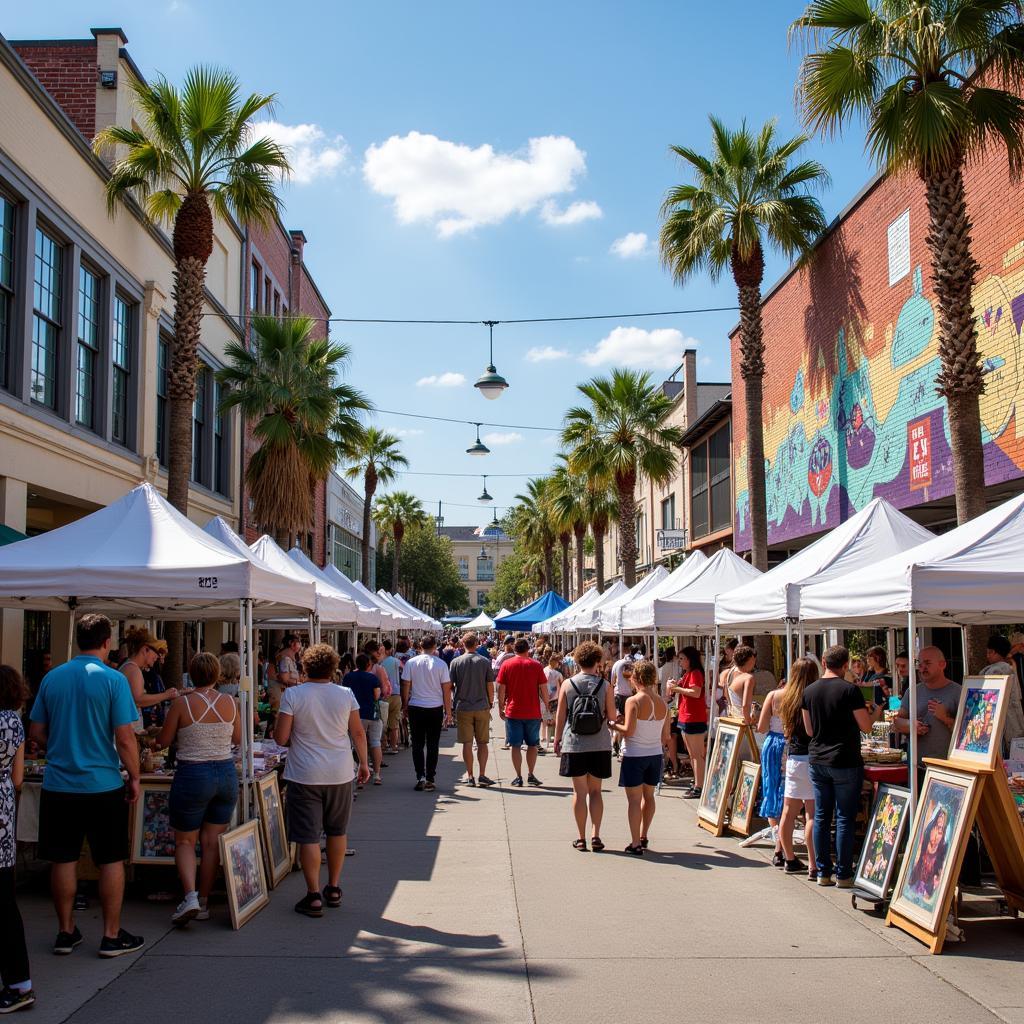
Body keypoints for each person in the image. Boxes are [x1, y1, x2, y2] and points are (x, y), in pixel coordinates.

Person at [27, 614, 145, 957]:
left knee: (62, 859)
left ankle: (65, 931)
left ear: (79, 639)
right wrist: (135, 777)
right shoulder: (113, 680)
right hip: (102, 784)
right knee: (110, 860)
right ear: (107, 642)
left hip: (60, 783)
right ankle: (110, 934)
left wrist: (60, 748)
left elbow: (35, 732)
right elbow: (125, 739)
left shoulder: (53, 678)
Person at [274, 644, 369, 916]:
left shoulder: (293, 695)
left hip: (304, 774)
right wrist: (363, 763)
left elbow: (281, 738)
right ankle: (335, 886)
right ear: (333, 668)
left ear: (305, 667)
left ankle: (313, 894)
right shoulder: (345, 694)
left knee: (308, 836)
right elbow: (358, 733)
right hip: (339, 772)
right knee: (337, 831)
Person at [157, 653, 240, 926]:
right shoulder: (230, 702)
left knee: (185, 841)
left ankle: (190, 896)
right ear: (217, 674)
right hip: (225, 772)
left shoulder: (182, 704)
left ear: (191, 675)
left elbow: (164, 741)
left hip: (193, 773)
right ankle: (203, 901)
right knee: (211, 841)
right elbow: (237, 737)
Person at [801, 645, 881, 888]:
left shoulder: (809, 691)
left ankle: (824, 871)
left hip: (818, 759)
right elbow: (866, 727)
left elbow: (809, 730)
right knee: (845, 817)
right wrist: (876, 714)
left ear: (823, 662)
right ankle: (844, 873)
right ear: (845, 665)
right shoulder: (850, 690)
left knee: (822, 816)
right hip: (845, 759)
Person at [555, 641, 617, 851]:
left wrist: (556, 740)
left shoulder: (567, 684)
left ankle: (580, 838)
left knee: (579, 793)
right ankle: (595, 835)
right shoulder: (605, 686)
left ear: (578, 660)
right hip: (599, 743)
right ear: (597, 661)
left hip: (575, 743)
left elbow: (561, 716)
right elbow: (612, 716)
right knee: (596, 792)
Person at [609, 661, 670, 855]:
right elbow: (665, 736)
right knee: (649, 796)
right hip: (654, 754)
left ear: (636, 678)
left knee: (634, 800)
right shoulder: (662, 703)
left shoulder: (633, 701)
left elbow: (629, 731)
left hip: (635, 754)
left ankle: (635, 842)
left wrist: (613, 725)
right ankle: (643, 836)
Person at [0, 666, 33, 1012]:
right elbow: (19, 777)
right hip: (5, 808)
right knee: (5, 898)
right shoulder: (14, 722)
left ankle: (18, 981)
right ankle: (18, 978)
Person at [777, 658, 819, 878]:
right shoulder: (812, 697)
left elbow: (786, 730)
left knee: (789, 811)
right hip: (810, 757)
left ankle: (790, 857)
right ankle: (813, 863)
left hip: (793, 757)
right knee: (812, 813)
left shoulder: (786, 697)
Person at [892, 646, 960, 780]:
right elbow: (897, 723)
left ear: (942, 664)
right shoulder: (912, 691)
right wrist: (912, 725)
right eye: (920, 664)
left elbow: (968, 734)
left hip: (946, 769)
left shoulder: (958, 692)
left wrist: (945, 718)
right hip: (917, 769)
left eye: (927, 663)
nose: (922, 668)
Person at [401, 637, 452, 792]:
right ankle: (430, 777)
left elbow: (406, 685)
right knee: (432, 744)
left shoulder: (411, 662)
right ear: (435, 646)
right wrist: (448, 712)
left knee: (417, 743)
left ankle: (420, 776)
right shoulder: (441, 664)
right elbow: (446, 689)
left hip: (416, 705)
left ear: (420, 646)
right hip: (435, 707)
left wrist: (405, 705)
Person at [497, 638, 548, 788]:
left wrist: (501, 706)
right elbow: (543, 688)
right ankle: (531, 774)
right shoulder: (536, 665)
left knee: (515, 746)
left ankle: (518, 776)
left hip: (513, 711)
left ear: (515, 650)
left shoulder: (507, 664)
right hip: (533, 711)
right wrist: (547, 704)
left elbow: (501, 688)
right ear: (528, 650)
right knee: (533, 744)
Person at [449, 632, 496, 787]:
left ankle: (470, 775)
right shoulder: (484, 661)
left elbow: (450, 685)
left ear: (463, 644)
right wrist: (490, 702)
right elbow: (490, 684)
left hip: (463, 706)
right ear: (477, 644)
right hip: (481, 705)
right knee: (482, 742)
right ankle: (482, 774)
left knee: (467, 743)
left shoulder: (455, 662)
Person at [668, 646, 708, 798]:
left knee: (696, 755)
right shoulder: (688, 673)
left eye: (682, 658)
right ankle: (697, 782)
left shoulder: (696, 673)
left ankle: (699, 785)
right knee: (692, 754)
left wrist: (678, 689)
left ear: (690, 659)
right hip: (686, 716)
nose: (680, 662)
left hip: (694, 717)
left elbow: (696, 692)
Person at [757, 674, 788, 865]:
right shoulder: (799, 696)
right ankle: (781, 846)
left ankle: (778, 843)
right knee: (787, 796)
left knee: (771, 790)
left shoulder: (773, 696)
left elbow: (761, 726)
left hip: (773, 743)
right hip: (790, 745)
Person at [120, 627, 178, 720]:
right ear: (145, 650)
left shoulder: (129, 666)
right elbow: (138, 700)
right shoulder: (133, 669)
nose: (157, 658)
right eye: (156, 653)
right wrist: (166, 695)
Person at [343, 655, 383, 786]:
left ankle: (357, 775)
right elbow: (377, 696)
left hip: (355, 715)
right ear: (368, 665)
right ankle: (377, 775)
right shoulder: (372, 678)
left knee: (354, 744)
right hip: (372, 714)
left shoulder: (348, 677)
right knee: (375, 742)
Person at [982, 634, 1024, 753]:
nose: (987, 656)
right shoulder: (1010, 667)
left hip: (1001, 721)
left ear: (993, 652)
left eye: (988, 652)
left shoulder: (995, 670)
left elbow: (987, 700)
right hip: (1013, 718)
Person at [380, 639, 403, 754]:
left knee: (382, 723)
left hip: (384, 695)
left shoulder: (380, 663)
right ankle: (394, 746)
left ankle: (383, 746)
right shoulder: (396, 661)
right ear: (391, 650)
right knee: (394, 723)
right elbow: (403, 669)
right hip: (397, 694)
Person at [610, 648, 635, 756]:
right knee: (626, 721)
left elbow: (612, 680)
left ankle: (615, 738)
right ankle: (621, 745)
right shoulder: (632, 665)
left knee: (617, 719)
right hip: (628, 696)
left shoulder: (617, 664)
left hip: (618, 694)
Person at [724, 645, 757, 724]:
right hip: (743, 719)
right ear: (749, 660)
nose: (754, 663)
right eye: (753, 660)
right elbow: (745, 705)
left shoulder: (730, 672)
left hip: (733, 717)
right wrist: (748, 721)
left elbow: (725, 694)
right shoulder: (748, 678)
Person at [541, 653, 564, 752]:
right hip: (555, 698)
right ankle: (555, 738)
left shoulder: (544, 670)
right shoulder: (558, 674)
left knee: (544, 718)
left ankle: (544, 736)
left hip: (544, 697)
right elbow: (562, 684)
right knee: (555, 719)